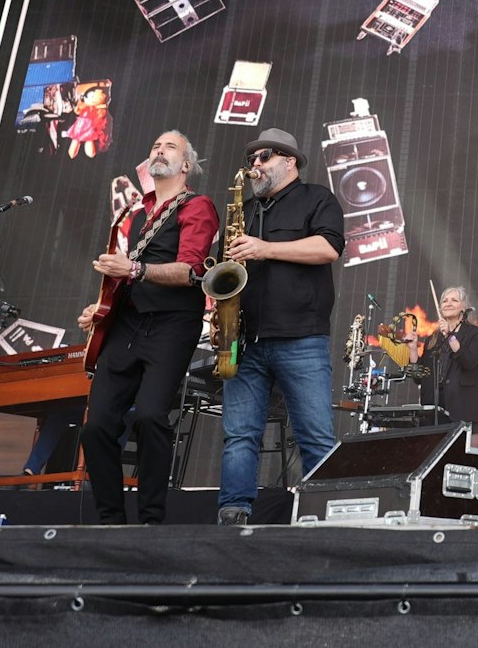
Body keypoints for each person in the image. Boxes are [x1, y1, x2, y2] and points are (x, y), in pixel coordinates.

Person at [75, 130, 220, 525]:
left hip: (172, 326)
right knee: (96, 427)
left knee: (150, 417)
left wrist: (134, 268)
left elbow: (192, 270)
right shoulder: (140, 213)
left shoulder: (198, 206)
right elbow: (130, 277)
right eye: (155, 145)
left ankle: (152, 519)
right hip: (127, 325)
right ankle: (110, 521)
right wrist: (103, 308)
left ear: (186, 165)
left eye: (169, 146)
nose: (158, 149)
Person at [216, 128, 347, 526]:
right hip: (244, 339)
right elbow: (219, 268)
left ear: (290, 161)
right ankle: (233, 513)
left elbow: (329, 248)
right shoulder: (247, 211)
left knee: (315, 436)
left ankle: (323, 516)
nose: (255, 165)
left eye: (265, 157)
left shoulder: (317, 198)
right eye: (252, 160)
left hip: (300, 336)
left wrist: (265, 248)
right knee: (239, 436)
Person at [408, 286, 478, 446]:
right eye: (444, 300)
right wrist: (412, 350)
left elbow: (469, 362)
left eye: (454, 300)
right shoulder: (433, 338)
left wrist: (450, 336)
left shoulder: (475, 333)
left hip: (465, 409)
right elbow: (419, 378)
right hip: (435, 412)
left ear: (464, 307)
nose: (448, 303)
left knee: (468, 462)